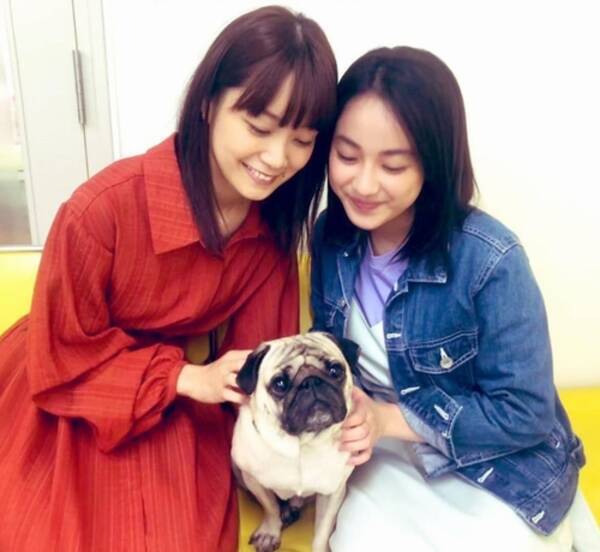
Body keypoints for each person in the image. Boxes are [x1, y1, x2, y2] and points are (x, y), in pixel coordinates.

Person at [0, 6, 337, 551]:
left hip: (176, 396)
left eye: (302, 140)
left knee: (182, 534)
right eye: (258, 127)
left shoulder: (272, 229)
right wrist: (181, 378)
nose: (277, 158)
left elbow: (256, 362)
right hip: (69, 384)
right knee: (43, 529)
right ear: (208, 103)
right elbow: (60, 356)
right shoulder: (99, 212)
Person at [310, 46, 600, 550]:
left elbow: (525, 414)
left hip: (498, 466)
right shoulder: (331, 239)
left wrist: (391, 419)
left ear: (435, 164)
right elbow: (332, 353)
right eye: (347, 156)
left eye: (393, 165)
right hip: (386, 457)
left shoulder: (491, 259)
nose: (363, 183)